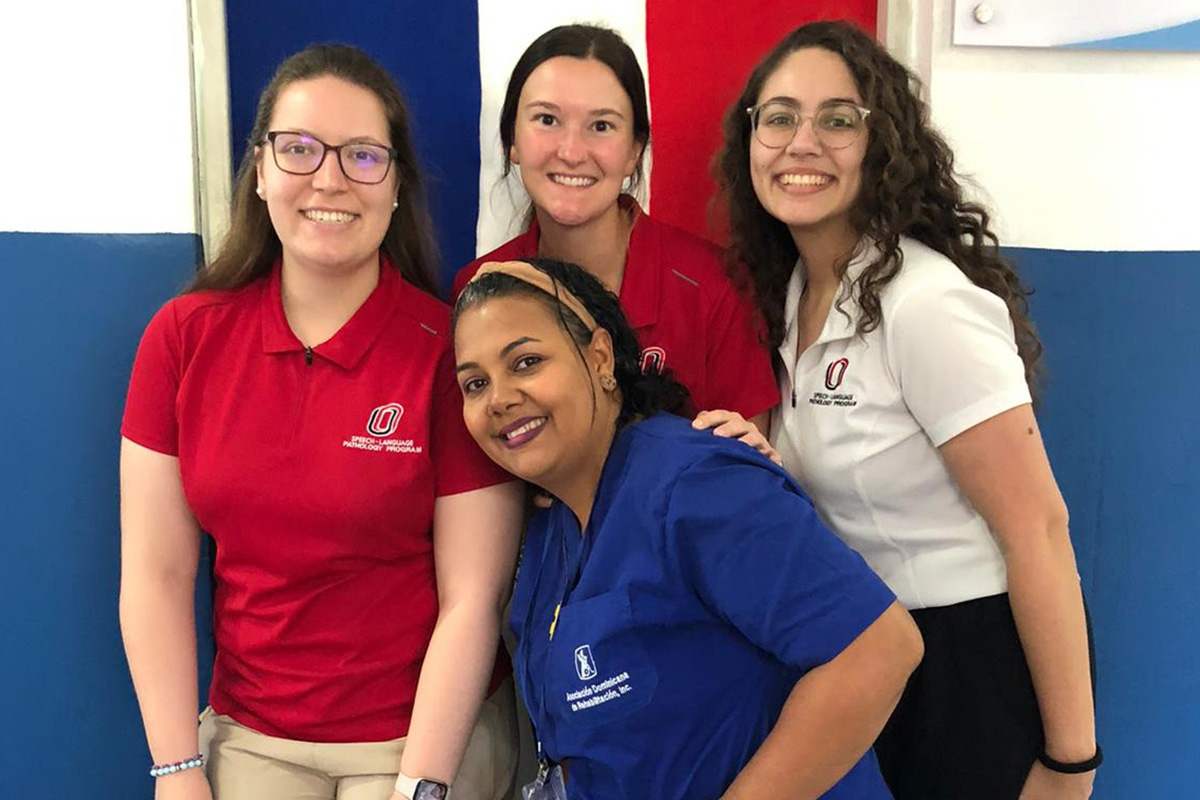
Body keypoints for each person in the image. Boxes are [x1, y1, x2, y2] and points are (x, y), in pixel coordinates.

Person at [707, 20, 1099, 800]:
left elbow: (1039, 529)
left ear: (882, 143)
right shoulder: (792, 295)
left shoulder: (924, 303)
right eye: (778, 117)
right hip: (874, 656)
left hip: (972, 665)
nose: (801, 142)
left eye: (837, 119)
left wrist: (1069, 763)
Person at [119, 44, 523, 800]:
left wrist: (419, 787)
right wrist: (177, 772)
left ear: (396, 183)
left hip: (422, 732)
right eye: (299, 149)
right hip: (253, 735)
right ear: (262, 170)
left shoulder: (449, 352)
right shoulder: (182, 339)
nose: (329, 178)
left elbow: (474, 598)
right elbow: (156, 575)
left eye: (363, 156)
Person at [452, 257, 923, 800]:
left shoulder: (700, 485)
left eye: (527, 362)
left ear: (600, 356)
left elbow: (879, 649)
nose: (499, 399)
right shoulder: (551, 526)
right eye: (475, 383)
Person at [452, 24, 778, 430]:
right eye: (547, 119)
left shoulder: (716, 287)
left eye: (601, 126)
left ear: (634, 151)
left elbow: (750, 473)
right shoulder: (476, 290)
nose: (571, 152)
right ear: (511, 141)